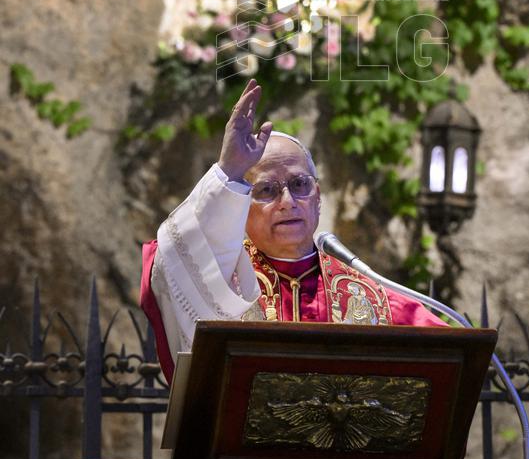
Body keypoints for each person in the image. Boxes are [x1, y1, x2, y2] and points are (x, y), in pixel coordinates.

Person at [141, 78, 444, 382]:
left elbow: (449, 357)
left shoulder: (367, 295)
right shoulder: (226, 280)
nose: (287, 202)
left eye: (299, 185)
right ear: (240, 206)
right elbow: (172, 261)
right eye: (267, 190)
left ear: (317, 197)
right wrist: (228, 171)